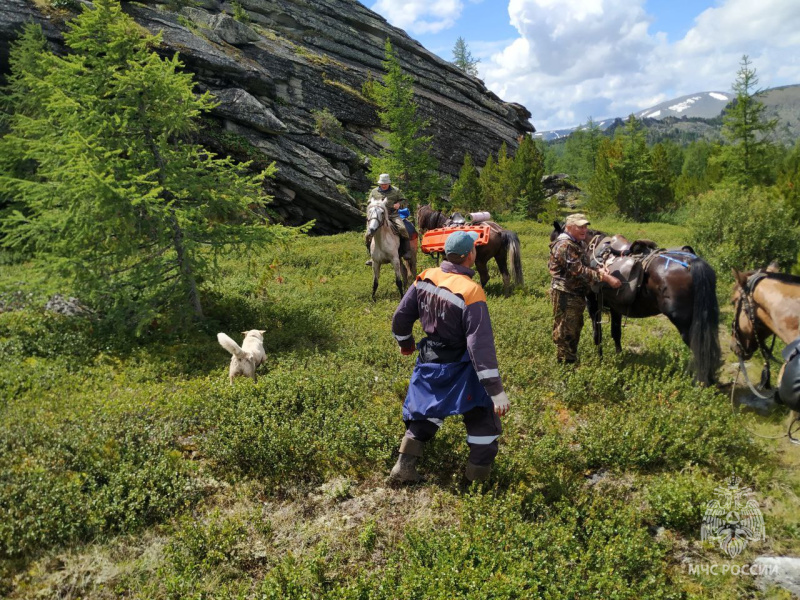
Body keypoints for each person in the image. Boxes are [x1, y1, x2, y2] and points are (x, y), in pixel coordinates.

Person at [389, 230, 510, 484]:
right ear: (470, 256)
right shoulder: (471, 290)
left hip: (430, 359)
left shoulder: (425, 276)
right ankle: (476, 482)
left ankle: (404, 468)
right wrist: (496, 391)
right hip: (462, 367)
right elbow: (480, 346)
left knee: (424, 411)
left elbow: (401, 316)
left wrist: (405, 343)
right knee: (481, 416)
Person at [549, 213, 622, 364]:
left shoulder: (577, 243)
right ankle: (565, 365)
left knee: (574, 328)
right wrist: (604, 277)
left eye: (585, 226)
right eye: (580, 227)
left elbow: (584, 266)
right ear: (569, 227)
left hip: (575, 293)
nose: (584, 230)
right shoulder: (564, 245)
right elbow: (578, 270)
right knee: (566, 330)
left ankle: (569, 361)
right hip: (565, 293)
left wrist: (600, 270)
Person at [365, 173, 412, 266]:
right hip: (378, 217)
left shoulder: (396, 191)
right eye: (382, 184)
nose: (383, 185)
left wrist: (399, 204)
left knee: (402, 229)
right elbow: (369, 202)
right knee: (367, 234)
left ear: (389, 183)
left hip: (393, 215)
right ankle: (372, 256)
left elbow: (404, 200)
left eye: (385, 183)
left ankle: (407, 251)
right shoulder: (374, 192)